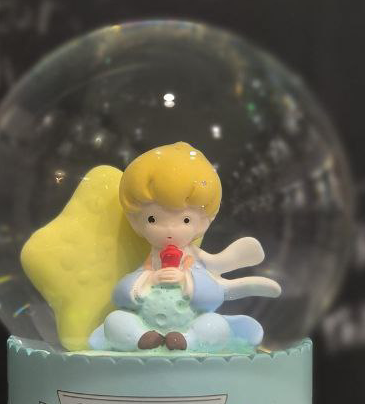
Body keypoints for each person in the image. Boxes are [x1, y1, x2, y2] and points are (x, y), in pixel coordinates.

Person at [88, 142, 280, 353]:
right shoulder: (149, 265)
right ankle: (140, 338)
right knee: (115, 320)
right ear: (136, 222)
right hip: (146, 320)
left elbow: (212, 297)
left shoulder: (195, 262)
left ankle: (186, 340)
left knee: (216, 326)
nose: (170, 229)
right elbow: (120, 296)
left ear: (203, 222)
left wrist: (185, 280)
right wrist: (149, 279)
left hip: (189, 323)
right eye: (153, 219)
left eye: (186, 220)